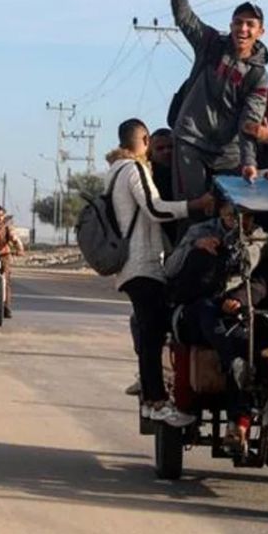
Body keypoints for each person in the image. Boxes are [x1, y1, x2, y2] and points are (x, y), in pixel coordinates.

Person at [108, 117, 212, 426]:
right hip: (142, 264)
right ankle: (154, 400)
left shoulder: (115, 170)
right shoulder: (134, 169)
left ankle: (150, 388)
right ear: (145, 140)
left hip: (133, 266)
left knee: (154, 329)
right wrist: (195, 205)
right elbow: (155, 209)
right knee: (154, 333)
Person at [168, 0, 268, 197]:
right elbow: (185, 18)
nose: (242, 29)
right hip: (191, 140)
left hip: (228, 154)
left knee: (229, 216)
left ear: (260, 32)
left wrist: (249, 163)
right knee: (192, 209)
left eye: (249, 24)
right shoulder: (212, 44)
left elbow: (250, 121)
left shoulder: (258, 76)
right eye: (238, 23)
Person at [149, 128, 175, 200]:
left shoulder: (187, 171)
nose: (166, 151)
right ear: (151, 153)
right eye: (160, 148)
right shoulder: (147, 176)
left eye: (170, 147)